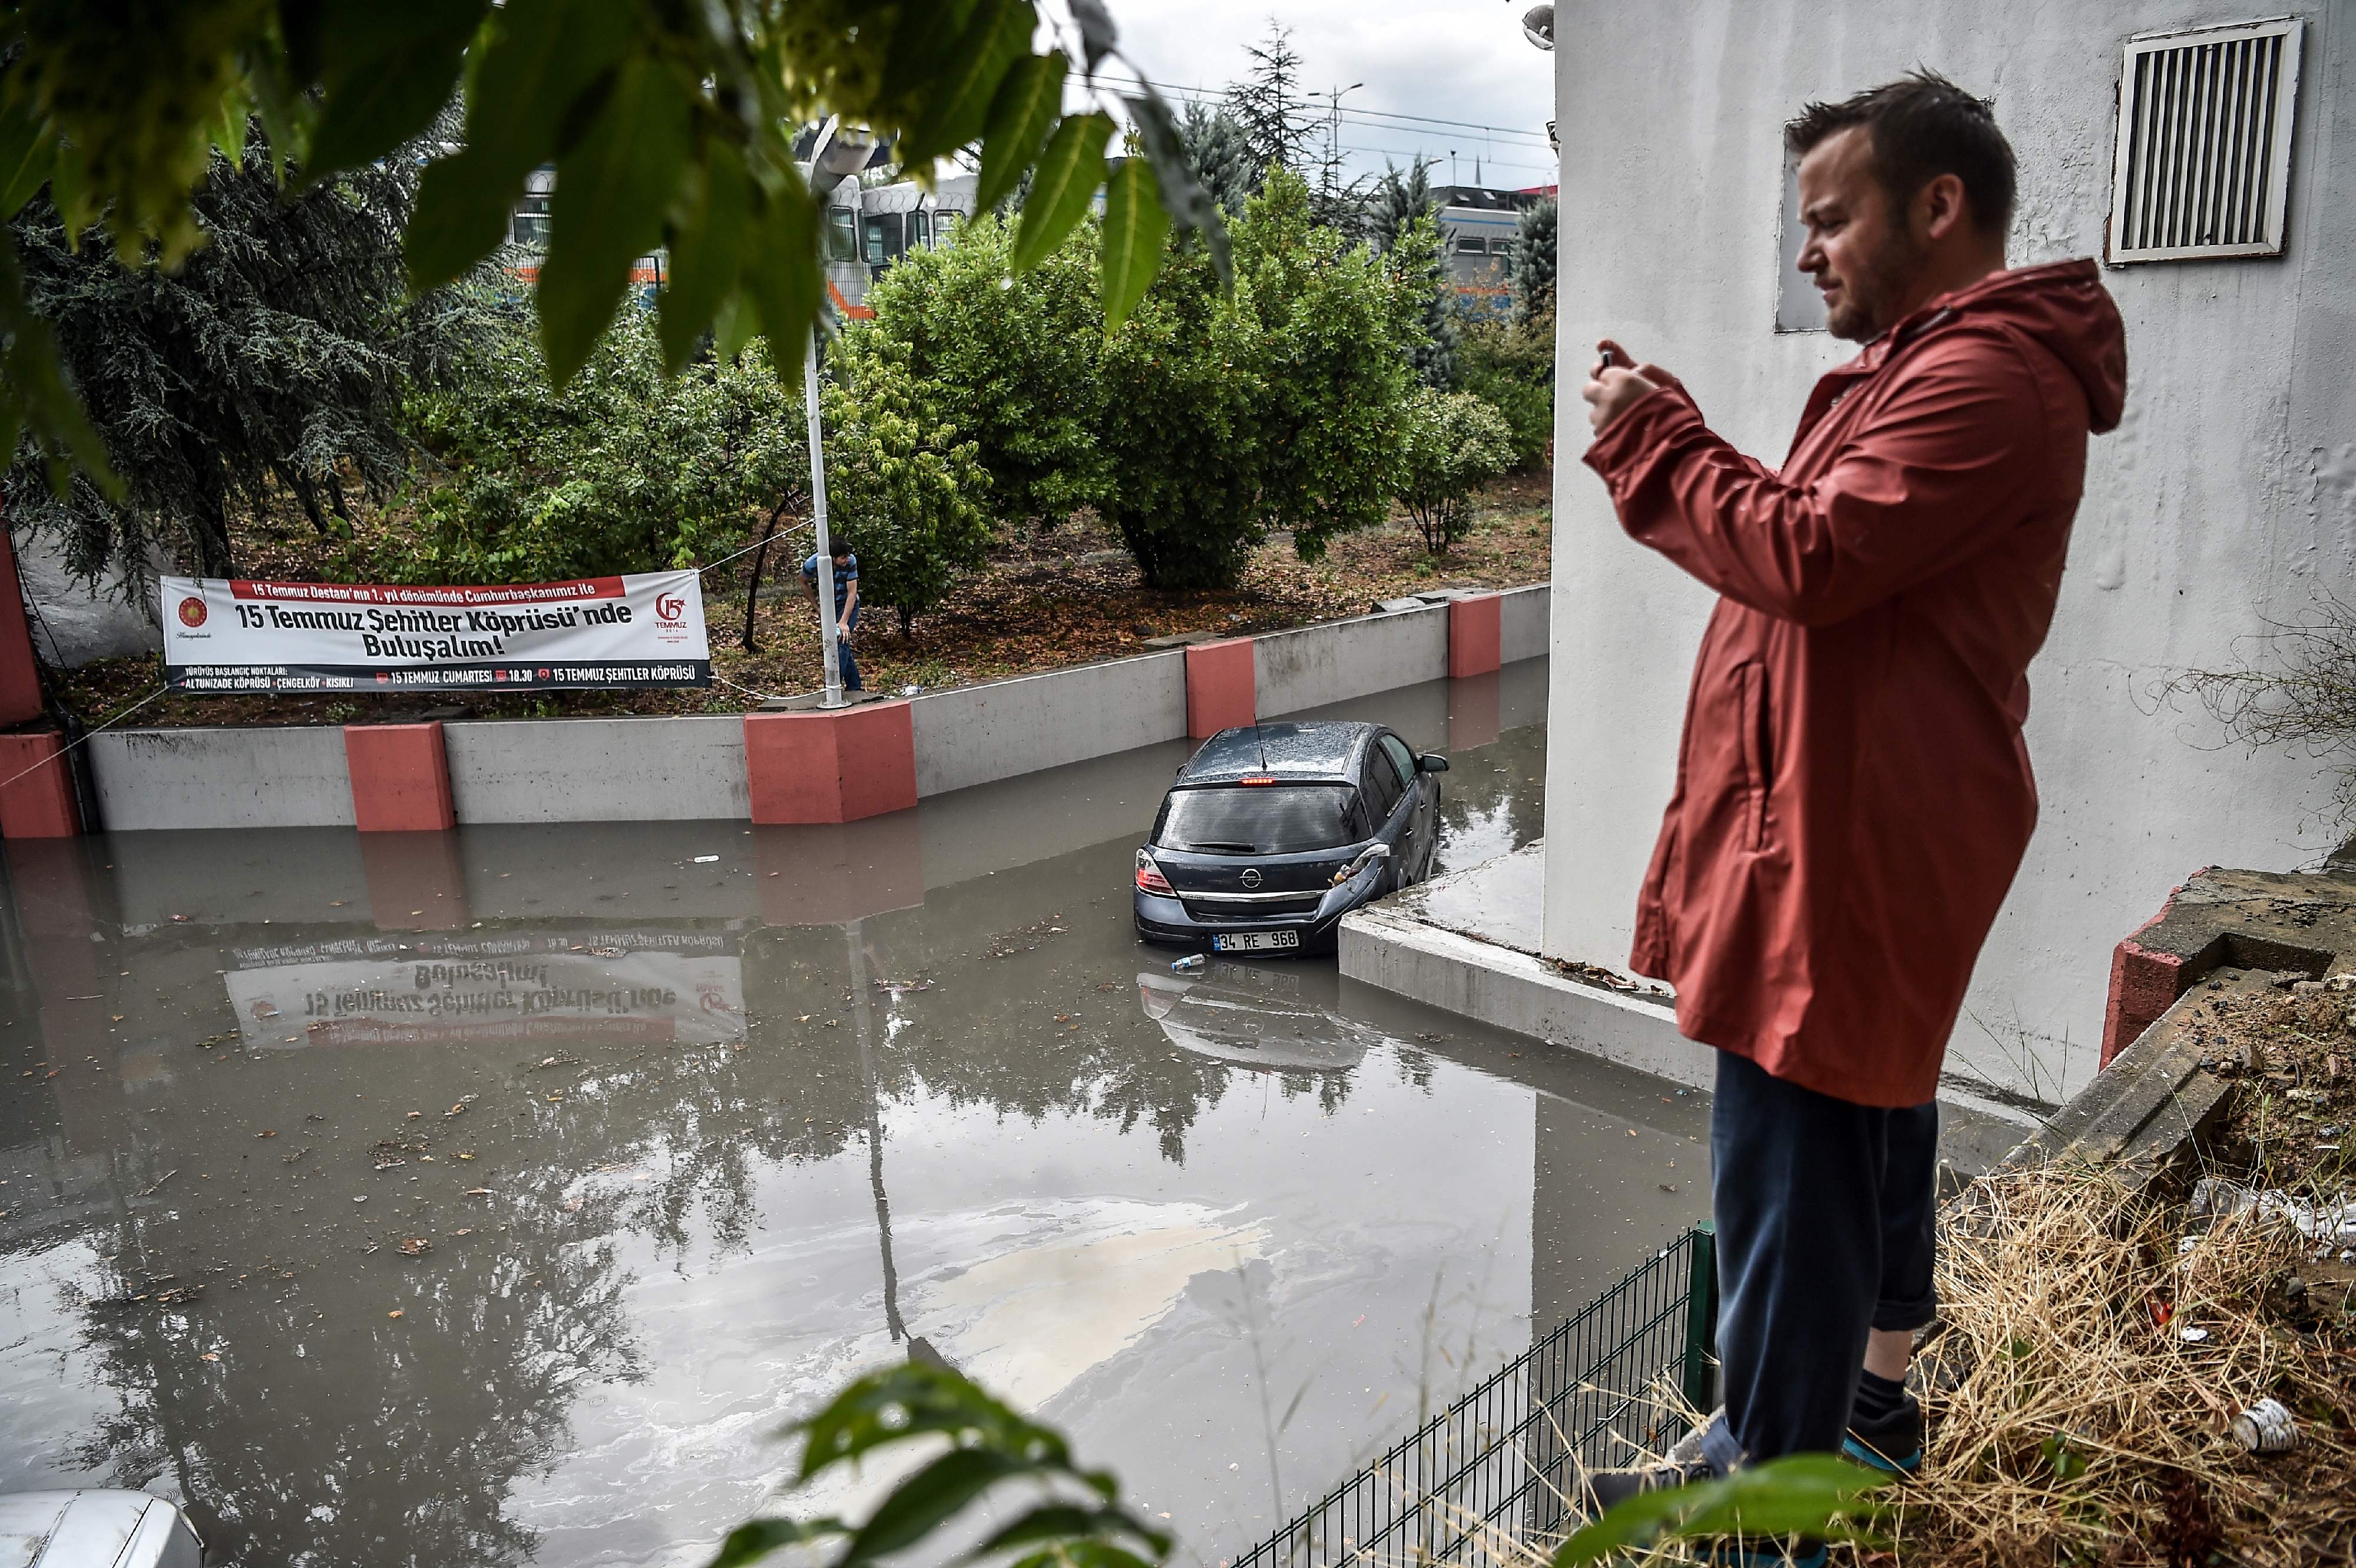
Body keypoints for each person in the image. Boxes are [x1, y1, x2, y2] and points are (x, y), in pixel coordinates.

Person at [1573, 72, 2127, 1557]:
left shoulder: (1987, 376)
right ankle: (1799, 1440)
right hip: (1826, 836)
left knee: (1785, 1207)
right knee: (1851, 1148)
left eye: (1830, 217)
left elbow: (1809, 559)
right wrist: (1680, 430)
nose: (1806, 250)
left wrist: (1650, 440)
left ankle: (1768, 1527)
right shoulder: (1931, 362)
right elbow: (1816, 565)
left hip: (1846, 856)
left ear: (1935, 209)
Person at [802, 541, 862, 693]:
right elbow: (803, 581)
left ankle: (833, 687)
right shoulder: (814, 563)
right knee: (842, 644)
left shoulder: (851, 562)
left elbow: (852, 593)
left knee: (842, 641)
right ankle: (855, 687)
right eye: (843, 557)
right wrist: (817, 607)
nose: (847, 559)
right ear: (833, 558)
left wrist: (843, 622)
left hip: (848, 605)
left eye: (848, 556)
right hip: (829, 608)